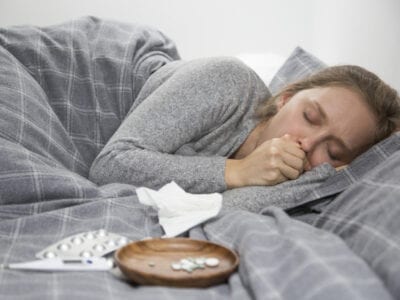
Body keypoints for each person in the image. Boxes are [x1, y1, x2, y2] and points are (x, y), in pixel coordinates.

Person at [89, 57, 400, 193]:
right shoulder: (225, 80)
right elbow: (110, 165)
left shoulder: (305, 182)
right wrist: (238, 171)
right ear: (285, 98)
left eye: (333, 152)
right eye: (310, 117)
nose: (307, 144)